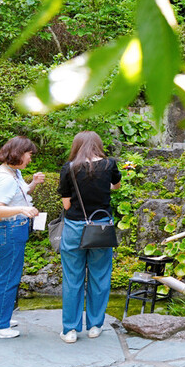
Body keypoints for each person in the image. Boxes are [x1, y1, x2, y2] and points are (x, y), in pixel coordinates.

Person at [57, 131, 122, 343]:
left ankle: (70, 330)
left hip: (75, 228)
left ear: (77, 146)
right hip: (100, 229)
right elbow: (115, 186)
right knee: (100, 277)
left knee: (72, 279)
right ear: (98, 144)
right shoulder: (109, 165)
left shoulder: (69, 168)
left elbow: (66, 204)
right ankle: (95, 326)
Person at [0, 136, 45, 339]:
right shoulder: (5, 178)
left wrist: (33, 183)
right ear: (19, 153)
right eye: (29, 154)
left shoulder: (12, 172)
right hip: (8, 230)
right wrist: (23, 209)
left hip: (11, 229)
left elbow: (20, 192)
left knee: (6, 274)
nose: (30, 159)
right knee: (9, 277)